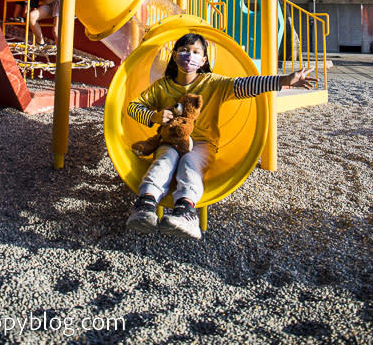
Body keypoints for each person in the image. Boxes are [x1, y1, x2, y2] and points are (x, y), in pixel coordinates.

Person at [126, 32, 313, 240]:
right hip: (169, 140)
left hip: (203, 143)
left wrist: (284, 80)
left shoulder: (213, 83)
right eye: (184, 51)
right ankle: (145, 205)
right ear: (174, 55)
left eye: (196, 52)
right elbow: (133, 107)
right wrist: (154, 116)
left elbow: (245, 85)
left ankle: (186, 212)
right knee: (164, 160)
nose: (189, 56)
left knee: (190, 163)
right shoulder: (162, 86)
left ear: (203, 60)